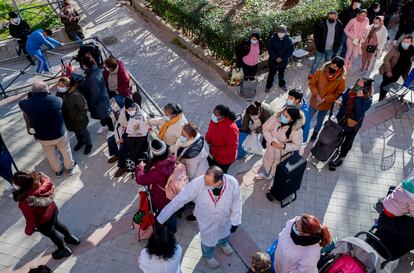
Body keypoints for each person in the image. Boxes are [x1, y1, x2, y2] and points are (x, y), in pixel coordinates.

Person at [157, 166, 242, 269]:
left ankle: (223, 243)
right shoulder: (199, 182)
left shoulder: (232, 183)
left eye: (208, 183)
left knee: (224, 233)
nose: (204, 183)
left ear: (219, 182)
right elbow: (179, 200)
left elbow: (237, 203)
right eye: (205, 180)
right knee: (207, 240)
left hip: (224, 218)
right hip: (206, 219)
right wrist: (161, 217)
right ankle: (208, 256)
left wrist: (236, 221)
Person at [12, 171, 80, 260]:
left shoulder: (26, 202)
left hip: (43, 221)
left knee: (52, 234)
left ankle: (63, 250)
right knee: (57, 224)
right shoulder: (43, 181)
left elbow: (31, 220)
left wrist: (28, 231)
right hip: (53, 210)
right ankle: (71, 238)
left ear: (22, 186)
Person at [19, 81, 76, 176]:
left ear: (32, 92)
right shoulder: (56, 100)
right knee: (65, 149)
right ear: (46, 90)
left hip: (42, 136)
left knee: (50, 153)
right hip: (59, 134)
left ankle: (58, 170)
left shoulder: (26, 104)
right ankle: (69, 167)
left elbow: (21, 103)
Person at [329, 78, 373, 170]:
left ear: (366, 89)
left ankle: (342, 156)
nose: (356, 88)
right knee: (337, 136)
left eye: (360, 87)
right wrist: (340, 101)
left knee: (348, 141)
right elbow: (344, 100)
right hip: (342, 119)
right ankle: (335, 151)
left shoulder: (367, 100)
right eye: (357, 85)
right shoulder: (350, 90)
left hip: (353, 123)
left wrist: (358, 98)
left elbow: (359, 112)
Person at [135, 140, 177, 233]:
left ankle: (170, 229)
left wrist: (140, 168)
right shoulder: (172, 160)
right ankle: (173, 227)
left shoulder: (157, 171)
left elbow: (140, 179)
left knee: (165, 212)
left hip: (162, 197)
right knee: (172, 210)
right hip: (174, 193)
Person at [255, 106, 304, 181]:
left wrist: (284, 145)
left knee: (277, 170)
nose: (282, 117)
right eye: (283, 114)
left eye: (286, 116)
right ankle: (265, 174)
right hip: (270, 149)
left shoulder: (297, 130)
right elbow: (265, 129)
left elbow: (297, 145)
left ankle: (274, 182)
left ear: (292, 120)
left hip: (283, 155)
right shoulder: (275, 117)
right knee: (267, 163)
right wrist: (271, 141)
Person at [308, 57, 346, 141]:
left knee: (320, 121)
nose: (332, 68)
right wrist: (316, 94)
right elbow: (312, 83)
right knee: (307, 118)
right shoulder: (320, 72)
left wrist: (325, 99)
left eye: (335, 67)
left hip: (326, 104)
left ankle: (315, 133)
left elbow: (338, 93)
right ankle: (303, 132)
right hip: (314, 101)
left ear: (340, 69)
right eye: (332, 65)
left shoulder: (341, 80)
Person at [112, 97, 149, 177]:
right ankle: (122, 166)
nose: (130, 111)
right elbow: (119, 126)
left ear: (134, 107)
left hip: (140, 138)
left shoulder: (142, 115)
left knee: (139, 149)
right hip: (127, 136)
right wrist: (119, 138)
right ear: (125, 109)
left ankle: (140, 166)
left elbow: (145, 127)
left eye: (131, 109)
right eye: (128, 109)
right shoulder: (123, 112)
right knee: (120, 145)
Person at [56, 77, 92, 155]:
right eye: (58, 85)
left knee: (84, 132)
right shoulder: (59, 93)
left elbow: (84, 107)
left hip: (79, 120)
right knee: (76, 132)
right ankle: (80, 142)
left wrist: (79, 118)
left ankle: (88, 144)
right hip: (69, 120)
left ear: (68, 86)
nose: (59, 88)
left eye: (62, 86)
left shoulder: (76, 95)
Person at [79, 55, 113, 134]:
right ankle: (104, 126)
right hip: (101, 98)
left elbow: (95, 92)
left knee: (105, 115)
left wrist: (90, 103)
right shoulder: (95, 69)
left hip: (99, 100)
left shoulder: (93, 77)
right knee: (101, 115)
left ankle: (112, 130)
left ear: (86, 65)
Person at [379, 35, 414, 101]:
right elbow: (386, 59)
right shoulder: (396, 49)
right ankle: (381, 97)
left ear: (411, 43)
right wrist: (388, 71)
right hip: (390, 70)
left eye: (407, 42)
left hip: (400, 72)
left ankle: (385, 94)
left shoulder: (412, 51)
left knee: (391, 84)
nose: (405, 43)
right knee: (385, 84)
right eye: (404, 41)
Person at [205, 105, 239, 173]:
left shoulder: (232, 129)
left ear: (223, 116)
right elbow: (210, 130)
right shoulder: (215, 119)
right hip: (214, 153)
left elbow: (232, 148)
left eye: (215, 115)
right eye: (213, 114)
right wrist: (207, 139)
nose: (213, 116)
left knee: (220, 173)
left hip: (224, 159)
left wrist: (215, 149)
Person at [309, 11, 344, 76]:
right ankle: (312, 73)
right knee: (316, 62)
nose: (332, 18)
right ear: (327, 16)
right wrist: (318, 46)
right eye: (330, 16)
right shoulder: (321, 23)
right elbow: (316, 36)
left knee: (327, 62)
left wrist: (337, 46)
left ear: (336, 17)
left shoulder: (339, 24)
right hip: (321, 47)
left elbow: (340, 36)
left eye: (333, 16)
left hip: (331, 48)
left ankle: (323, 73)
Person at [265, 25, 294, 92]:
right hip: (273, 61)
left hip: (283, 61)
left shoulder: (289, 40)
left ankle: (282, 85)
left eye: (282, 32)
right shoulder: (272, 39)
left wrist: (282, 58)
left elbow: (291, 50)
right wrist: (275, 57)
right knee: (271, 74)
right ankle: (268, 86)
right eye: (279, 32)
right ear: (277, 32)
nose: (280, 33)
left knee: (281, 74)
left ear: (285, 33)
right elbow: (270, 49)